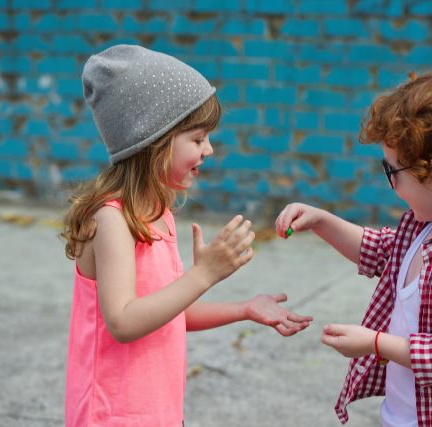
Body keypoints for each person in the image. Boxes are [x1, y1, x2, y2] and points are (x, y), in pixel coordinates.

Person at [60, 44, 312, 427]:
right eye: (197, 139)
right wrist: (205, 273)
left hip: (157, 411)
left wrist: (245, 308)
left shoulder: (158, 214)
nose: (209, 149)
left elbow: (169, 311)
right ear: (153, 141)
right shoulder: (112, 220)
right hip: (113, 414)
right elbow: (124, 322)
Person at [275, 58, 432, 426]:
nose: (391, 182)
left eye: (391, 170)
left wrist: (375, 343)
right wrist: (322, 221)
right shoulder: (425, 226)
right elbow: (379, 251)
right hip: (407, 414)